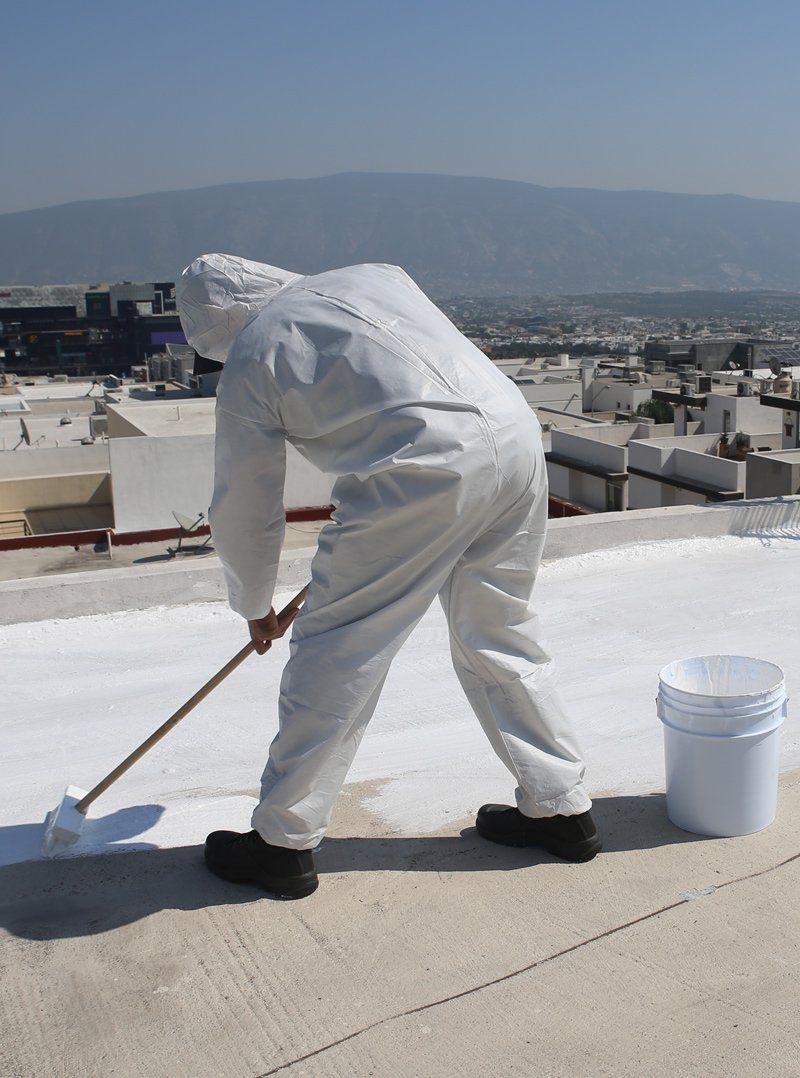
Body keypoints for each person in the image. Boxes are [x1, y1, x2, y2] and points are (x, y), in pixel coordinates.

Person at [176, 254, 601, 900]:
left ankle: (283, 843)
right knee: (500, 631)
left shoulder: (253, 353)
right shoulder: (374, 275)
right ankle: (562, 808)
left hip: (421, 469)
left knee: (338, 650)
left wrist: (254, 603)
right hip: (513, 437)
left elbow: (245, 502)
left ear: (216, 329)